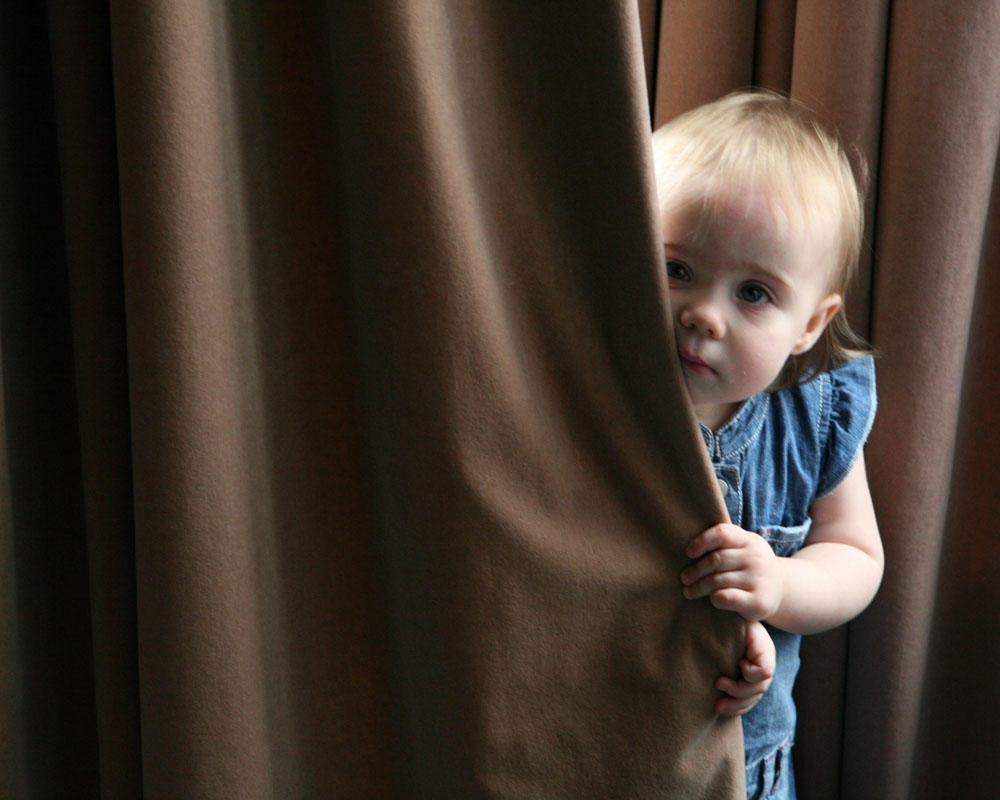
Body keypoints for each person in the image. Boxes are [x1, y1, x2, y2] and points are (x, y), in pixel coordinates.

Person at [652, 90, 884, 799]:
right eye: (677, 269)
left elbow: (856, 557)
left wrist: (780, 588)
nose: (704, 315)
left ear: (811, 325)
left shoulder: (815, 411)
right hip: (605, 743)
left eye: (753, 293)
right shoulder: (609, 397)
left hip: (747, 766)